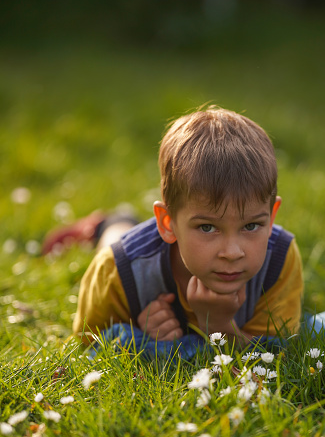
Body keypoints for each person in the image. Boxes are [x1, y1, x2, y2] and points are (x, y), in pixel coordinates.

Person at [45, 106, 304, 349]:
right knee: (118, 238)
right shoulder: (118, 269)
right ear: (167, 223)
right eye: (207, 227)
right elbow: (89, 343)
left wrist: (219, 326)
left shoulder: (280, 260)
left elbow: (275, 352)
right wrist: (137, 330)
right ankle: (107, 223)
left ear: (271, 218)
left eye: (250, 226)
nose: (232, 252)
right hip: (131, 247)